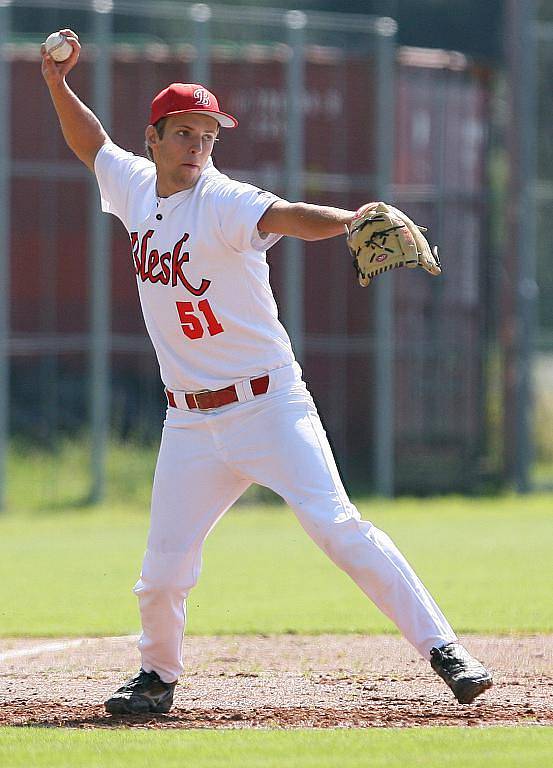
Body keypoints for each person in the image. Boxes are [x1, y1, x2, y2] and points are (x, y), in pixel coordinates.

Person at [41, 30, 492, 715]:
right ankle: (156, 678)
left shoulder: (224, 200)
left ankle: (445, 651)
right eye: (185, 133)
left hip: (269, 405)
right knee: (160, 577)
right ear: (154, 139)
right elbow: (92, 145)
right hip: (189, 421)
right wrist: (55, 82)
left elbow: (287, 214)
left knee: (338, 527)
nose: (198, 146)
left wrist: (351, 223)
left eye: (209, 134)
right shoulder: (133, 185)